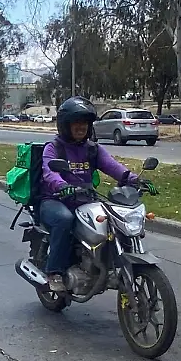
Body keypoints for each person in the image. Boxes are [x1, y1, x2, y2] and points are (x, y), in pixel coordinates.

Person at [38, 96, 146, 293]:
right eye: (76, 123)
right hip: (55, 200)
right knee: (64, 219)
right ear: (65, 125)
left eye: (85, 123)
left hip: (84, 199)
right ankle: (54, 272)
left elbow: (113, 166)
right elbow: (49, 172)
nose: (81, 127)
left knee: (114, 221)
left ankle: (110, 265)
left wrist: (134, 179)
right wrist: (62, 185)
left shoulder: (92, 149)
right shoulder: (54, 148)